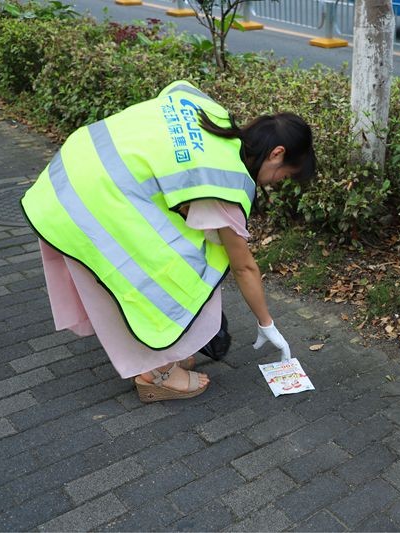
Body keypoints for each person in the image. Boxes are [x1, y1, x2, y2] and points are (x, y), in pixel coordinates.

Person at [21, 80, 316, 402]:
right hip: (89, 203)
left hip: (72, 170)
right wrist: (266, 323)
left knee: (176, 250)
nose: (276, 184)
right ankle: (154, 374)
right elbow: (243, 266)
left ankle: (166, 356)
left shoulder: (213, 117)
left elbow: (173, 94)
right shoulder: (225, 179)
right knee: (168, 275)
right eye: (284, 176)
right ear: (277, 154)